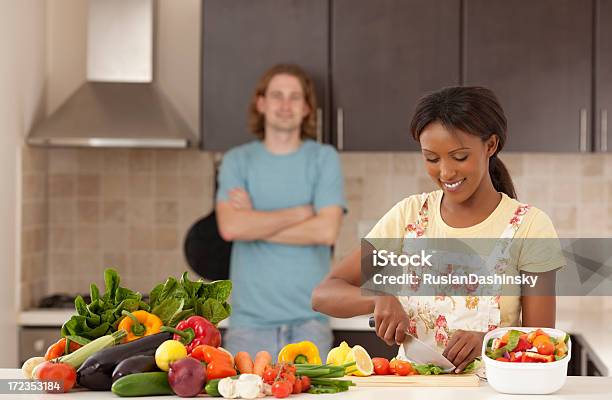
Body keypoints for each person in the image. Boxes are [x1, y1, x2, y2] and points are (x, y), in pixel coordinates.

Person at [312, 86, 565, 373]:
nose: (445, 172)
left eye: (459, 157)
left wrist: (489, 342)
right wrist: (378, 297)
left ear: (490, 145)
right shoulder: (410, 216)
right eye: (432, 159)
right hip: (411, 389)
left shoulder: (528, 227)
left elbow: (543, 346)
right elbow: (323, 294)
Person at [216, 64, 346, 360]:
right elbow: (232, 228)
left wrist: (256, 221)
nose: (285, 105)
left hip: (310, 323)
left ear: (306, 108)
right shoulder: (238, 160)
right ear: (261, 103)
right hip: (248, 327)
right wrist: (303, 212)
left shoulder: (323, 158)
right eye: (277, 95)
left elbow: (326, 231)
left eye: (294, 97)